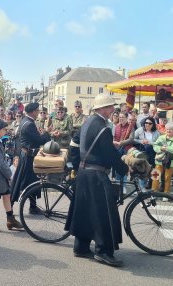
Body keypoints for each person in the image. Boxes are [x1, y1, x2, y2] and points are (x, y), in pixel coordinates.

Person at [64, 94, 129, 267]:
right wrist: (124, 169)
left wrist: (78, 164)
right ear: (101, 108)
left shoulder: (87, 122)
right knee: (104, 214)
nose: (112, 110)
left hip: (84, 173)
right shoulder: (103, 127)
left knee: (85, 212)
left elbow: (74, 143)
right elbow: (110, 155)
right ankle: (103, 251)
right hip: (97, 175)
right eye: (110, 107)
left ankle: (81, 247)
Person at [10, 102, 50, 211]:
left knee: (32, 181)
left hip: (28, 154)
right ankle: (10, 206)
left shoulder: (26, 121)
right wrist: (47, 132)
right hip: (28, 157)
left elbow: (34, 138)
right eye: (37, 110)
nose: (38, 112)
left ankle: (32, 206)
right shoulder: (29, 124)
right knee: (21, 182)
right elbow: (40, 140)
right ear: (33, 112)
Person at [152, 122, 173, 196]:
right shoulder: (161, 137)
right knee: (155, 176)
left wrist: (167, 148)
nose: (168, 131)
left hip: (170, 162)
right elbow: (155, 146)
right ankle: (153, 192)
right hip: (159, 160)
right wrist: (160, 148)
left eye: (170, 129)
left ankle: (166, 194)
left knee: (167, 178)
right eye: (167, 129)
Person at [133, 116, 160, 191]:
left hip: (153, 153)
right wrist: (141, 141)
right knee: (143, 168)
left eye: (149, 123)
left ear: (153, 124)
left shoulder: (156, 133)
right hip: (142, 152)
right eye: (146, 123)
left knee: (153, 169)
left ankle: (153, 186)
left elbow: (159, 143)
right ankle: (142, 186)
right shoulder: (140, 130)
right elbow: (132, 139)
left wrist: (149, 142)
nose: (147, 125)